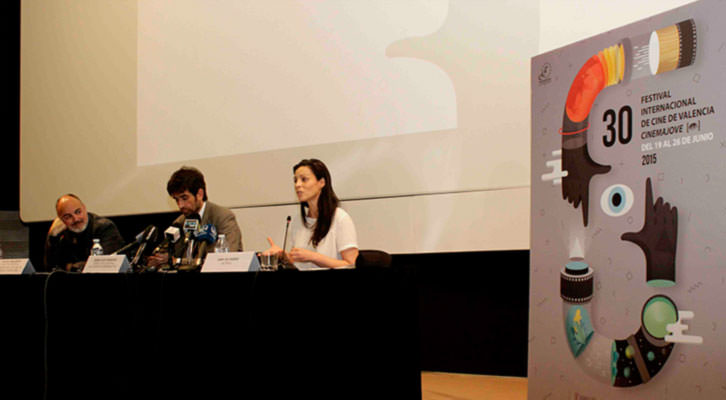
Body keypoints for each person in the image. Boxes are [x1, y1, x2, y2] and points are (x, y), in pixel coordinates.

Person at [266, 159, 358, 269]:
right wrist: (283, 256)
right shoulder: (297, 221)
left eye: (304, 179)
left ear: (321, 183)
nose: (298, 185)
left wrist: (313, 257)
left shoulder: (340, 218)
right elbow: (298, 264)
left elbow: (351, 264)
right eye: (295, 180)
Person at [147, 166, 243, 267]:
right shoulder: (180, 222)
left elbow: (226, 260)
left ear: (199, 194)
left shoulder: (222, 217)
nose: (180, 205)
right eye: (176, 200)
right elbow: (172, 254)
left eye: (184, 198)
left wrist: (176, 261)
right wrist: (159, 261)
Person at [44, 194, 125, 271]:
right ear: (61, 220)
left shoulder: (104, 227)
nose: (76, 219)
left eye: (78, 212)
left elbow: (101, 266)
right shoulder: (62, 234)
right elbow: (52, 269)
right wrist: (52, 237)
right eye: (68, 217)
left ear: (84, 208)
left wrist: (70, 267)